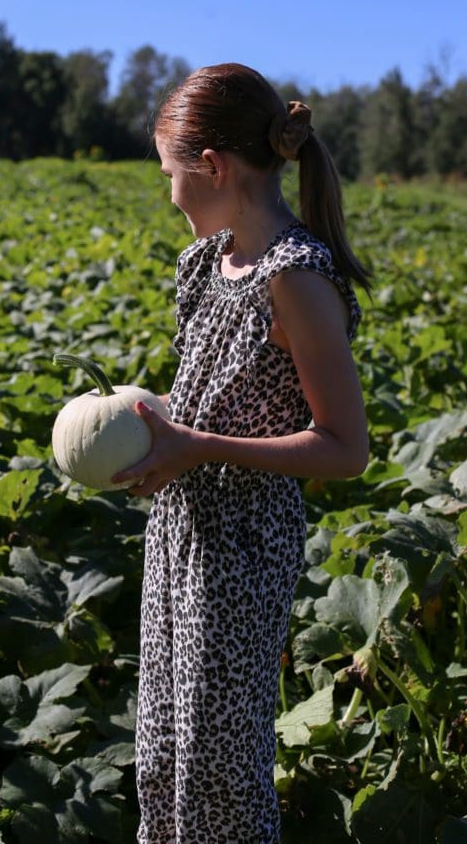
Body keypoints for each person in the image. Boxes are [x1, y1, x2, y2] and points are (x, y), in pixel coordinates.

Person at [112, 62, 371, 844]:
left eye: (169, 173)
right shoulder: (205, 262)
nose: (169, 193)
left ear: (213, 167)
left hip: (241, 547)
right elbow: (203, 396)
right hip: (180, 535)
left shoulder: (295, 280)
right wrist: (143, 422)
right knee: (163, 752)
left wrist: (194, 444)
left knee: (219, 769)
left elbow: (345, 448)